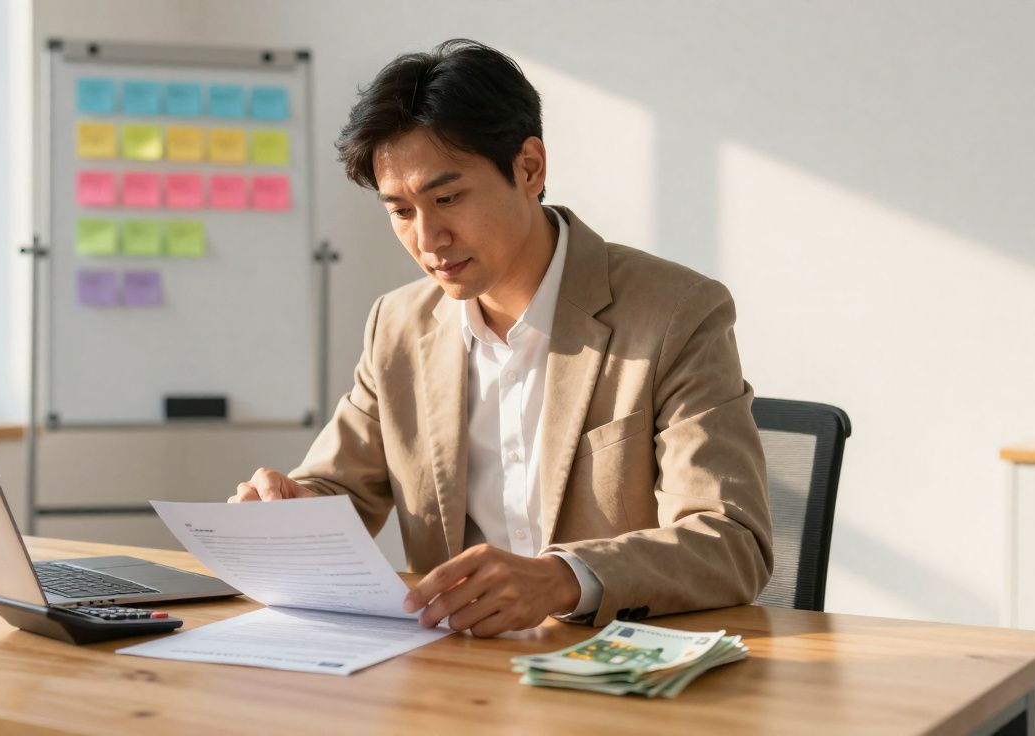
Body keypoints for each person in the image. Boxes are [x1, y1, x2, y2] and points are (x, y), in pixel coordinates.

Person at [231, 39, 771, 637]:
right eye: (401, 212)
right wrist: (289, 509)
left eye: (448, 198)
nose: (429, 239)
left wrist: (563, 577)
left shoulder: (675, 313)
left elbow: (731, 540)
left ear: (530, 168)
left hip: (607, 676)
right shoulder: (398, 324)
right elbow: (339, 489)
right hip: (452, 673)